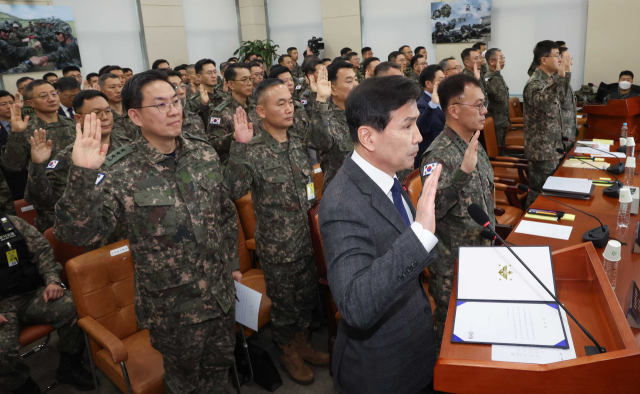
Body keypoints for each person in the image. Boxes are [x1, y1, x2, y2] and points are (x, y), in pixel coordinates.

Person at [53, 70, 240, 394]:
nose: (173, 110)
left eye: (176, 102)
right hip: (173, 309)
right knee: (185, 385)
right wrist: (83, 175)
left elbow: (224, 213)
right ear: (135, 115)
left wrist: (233, 263)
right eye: (160, 105)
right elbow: (79, 234)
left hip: (221, 296)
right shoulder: (119, 170)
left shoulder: (203, 153)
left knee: (220, 374)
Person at [319, 75, 440, 394]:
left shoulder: (387, 178)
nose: (418, 136)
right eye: (407, 125)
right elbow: (355, 305)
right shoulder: (343, 202)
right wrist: (419, 238)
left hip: (414, 348)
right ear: (368, 137)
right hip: (381, 370)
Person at [226, 79, 328, 384]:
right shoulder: (253, 150)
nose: (289, 107)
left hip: (308, 240)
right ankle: (288, 351)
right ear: (260, 111)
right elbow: (233, 189)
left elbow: (324, 142)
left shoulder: (298, 140)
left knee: (308, 296)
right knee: (285, 304)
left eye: (290, 101)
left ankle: (303, 343)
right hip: (279, 247)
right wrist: (238, 147)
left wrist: (320, 100)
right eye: (280, 103)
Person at [420, 73, 494, 356]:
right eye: (478, 105)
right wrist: (461, 174)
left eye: (484, 104)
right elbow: (431, 212)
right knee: (450, 331)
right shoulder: (438, 155)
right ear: (453, 110)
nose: (484, 110)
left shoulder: (473, 141)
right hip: (454, 263)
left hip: (481, 252)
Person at [0, 215, 95, 394]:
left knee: (74, 306)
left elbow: (42, 251)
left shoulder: (13, 223)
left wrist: (52, 281)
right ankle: (21, 386)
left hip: (30, 294)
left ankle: (69, 366)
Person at [24, 90, 129, 251]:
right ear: (78, 118)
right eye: (96, 113)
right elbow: (44, 201)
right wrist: (37, 165)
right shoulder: (68, 158)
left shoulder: (128, 145)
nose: (105, 117)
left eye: (108, 111)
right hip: (102, 242)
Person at [2, 80, 76, 231]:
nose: (51, 99)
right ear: (31, 103)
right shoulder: (26, 129)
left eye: (54, 94)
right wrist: (16, 133)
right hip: (51, 206)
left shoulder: (73, 125)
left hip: (82, 198)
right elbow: (12, 166)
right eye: (44, 96)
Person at [523, 40, 568, 208]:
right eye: (556, 56)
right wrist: (561, 78)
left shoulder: (549, 80)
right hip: (542, 152)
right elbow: (545, 102)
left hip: (553, 148)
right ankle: (527, 227)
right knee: (539, 196)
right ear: (543, 60)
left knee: (550, 196)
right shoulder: (534, 83)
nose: (559, 60)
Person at [308, 62, 358, 192]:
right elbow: (320, 142)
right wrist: (321, 99)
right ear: (333, 89)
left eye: (356, 79)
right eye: (349, 81)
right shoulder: (326, 118)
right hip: (341, 195)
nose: (356, 85)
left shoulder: (363, 115)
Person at [207, 63, 257, 162]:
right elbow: (212, 144)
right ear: (231, 84)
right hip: (238, 164)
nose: (249, 83)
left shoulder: (256, 107)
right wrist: (233, 137)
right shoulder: (220, 113)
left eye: (250, 79)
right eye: (244, 80)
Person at [416, 65, 445, 168]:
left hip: (445, 154)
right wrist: (432, 105)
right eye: (441, 80)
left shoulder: (443, 98)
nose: (444, 82)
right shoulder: (422, 104)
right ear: (428, 83)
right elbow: (422, 128)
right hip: (431, 158)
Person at [0, 91, 27, 200]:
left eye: (11, 103)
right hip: (10, 183)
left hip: (33, 179)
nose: (9, 107)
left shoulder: (26, 122)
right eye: (3, 104)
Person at [165, 70, 206, 139]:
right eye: (174, 87)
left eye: (182, 86)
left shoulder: (194, 118)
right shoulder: (161, 122)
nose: (181, 91)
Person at [99, 72, 138, 140]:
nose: (118, 90)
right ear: (101, 91)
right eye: (112, 87)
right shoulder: (103, 116)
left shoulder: (133, 109)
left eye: (120, 86)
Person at [187, 59, 227, 124]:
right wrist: (204, 105)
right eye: (209, 73)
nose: (214, 76)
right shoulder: (193, 101)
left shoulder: (223, 95)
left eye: (215, 72)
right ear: (199, 77)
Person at [484, 48, 511, 146]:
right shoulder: (491, 77)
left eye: (503, 58)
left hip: (503, 120)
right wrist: (497, 74)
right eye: (501, 58)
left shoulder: (496, 76)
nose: (503, 60)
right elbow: (500, 98)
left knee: (503, 147)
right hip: (496, 121)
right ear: (491, 61)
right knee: (498, 149)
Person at [559, 47, 577, 146]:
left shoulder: (565, 82)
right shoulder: (555, 82)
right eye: (568, 59)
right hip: (559, 137)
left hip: (568, 133)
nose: (571, 63)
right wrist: (566, 74)